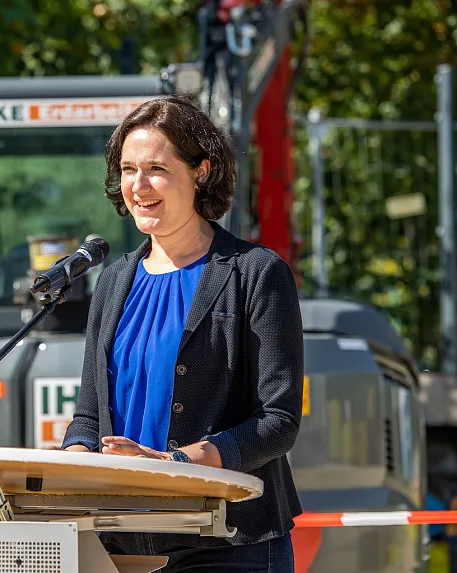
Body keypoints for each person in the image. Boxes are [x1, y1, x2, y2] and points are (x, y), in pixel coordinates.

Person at [58, 95, 305, 571]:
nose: (138, 185)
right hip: (119, 543)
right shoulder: (112, 283)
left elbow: (278, 420)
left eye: (157, 169)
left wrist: (176, 464)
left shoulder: (255, 273)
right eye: (128, 169)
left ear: (201, 172)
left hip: (229, 543)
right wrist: (70, 460)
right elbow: (91, 416)